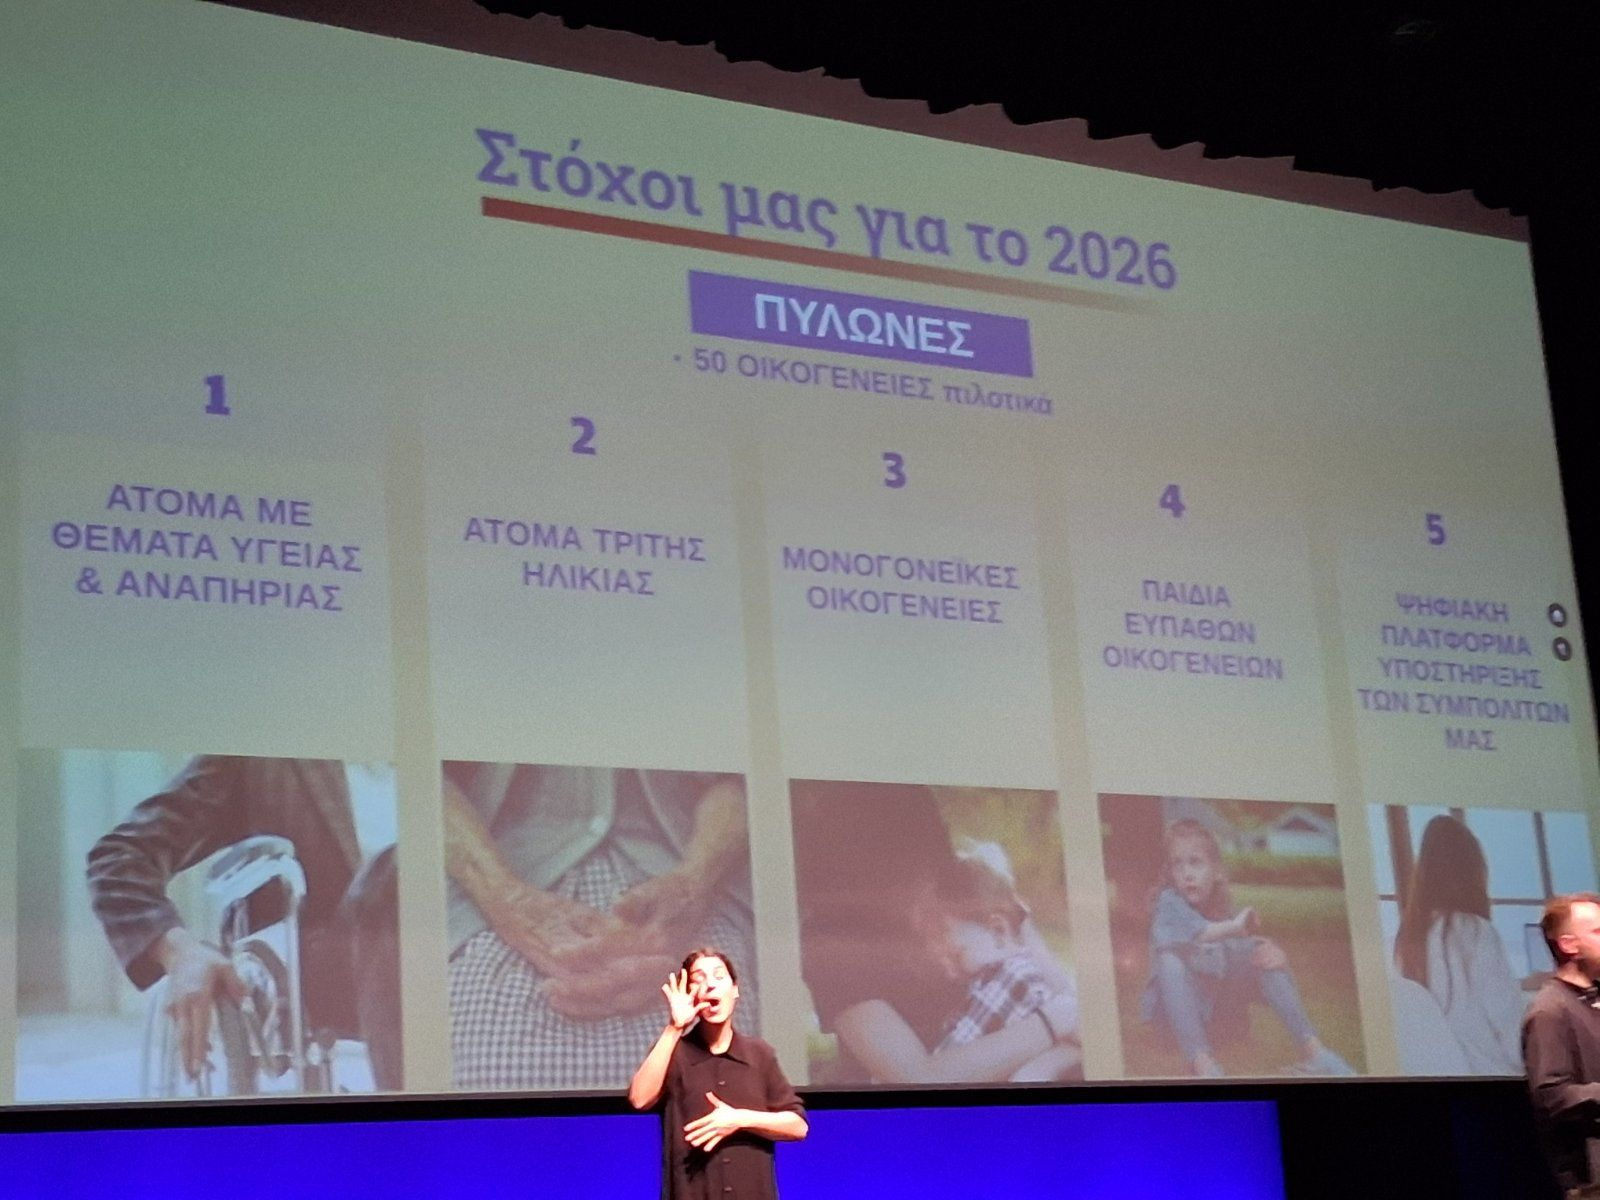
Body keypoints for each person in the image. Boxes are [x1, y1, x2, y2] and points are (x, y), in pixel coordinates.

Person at [85, 754, 402, 1090]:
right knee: (391, 871)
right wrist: (178, 949)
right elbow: (120, 857)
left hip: (439, 953)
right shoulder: (263, 758)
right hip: (336, 964)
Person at [443, 763, 755, 1091]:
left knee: (720, 1075)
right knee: (488, 1068)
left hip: (691, 872)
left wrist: (695, 882)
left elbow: (746, 778)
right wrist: (507, 899)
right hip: (496, 879)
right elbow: (424, 782)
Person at [791, 782, 1078, 1084]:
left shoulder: (969, 882)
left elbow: (1068, 1002)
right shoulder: (832, 942)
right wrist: (1050, 1024)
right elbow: (916, 1078)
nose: (923, 889)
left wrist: (1045, 1063)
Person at [1142, 818, 1352, 1078]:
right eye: (1177, 864)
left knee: (1261, 952)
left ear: (1216, 871)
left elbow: (1237, 953)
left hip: (1219, 1021)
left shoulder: (1220, 905)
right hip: (1176, 1025)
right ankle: (1203, 1066)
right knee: (1169, 960)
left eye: (1195, 862)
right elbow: (1200, 933)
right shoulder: (1168, 902)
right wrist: (1235, 927)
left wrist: (1274, 954)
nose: (1186, 873)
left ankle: (1317, 1054)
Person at [628, 949, 806, 1200]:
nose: (710, 984)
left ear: (735, 990)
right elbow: (640, 1099)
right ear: (690, 995)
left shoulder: (759, 1054)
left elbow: (798, 1126)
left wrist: (739, 1119)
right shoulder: (673, 1052)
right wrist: (675, 1027)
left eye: (718, 976)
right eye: (698, 979)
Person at [918, 841, 1081, 1081]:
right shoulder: (1003, 977)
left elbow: (950, 1058)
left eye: (957, 954)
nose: (946, 962)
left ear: (997, 931)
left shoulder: (1012, 976)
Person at [1393, 813, 1526, 1075]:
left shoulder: (1404, 940)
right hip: (1491, 1077)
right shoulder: (1476, 931)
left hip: (1431, 1078)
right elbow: (1510, 1027)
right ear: (1473, 873)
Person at [1523, 893, 1600, 1198]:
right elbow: (1552, 1094)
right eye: (1597, 931)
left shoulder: (1592, 999)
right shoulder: (1550, 1010)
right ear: (1569, 945)